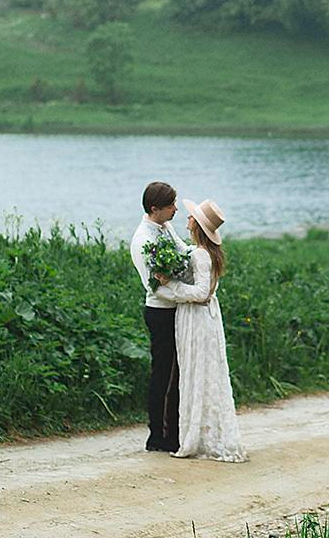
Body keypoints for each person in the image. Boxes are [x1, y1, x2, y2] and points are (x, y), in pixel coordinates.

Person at [153, 199, 247, 462]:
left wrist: (170, 285)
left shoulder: (200, 254)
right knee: (203, 373)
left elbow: (201, 293)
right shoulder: (207, 251)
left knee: (196, 373)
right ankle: (201, 431)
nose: (187, 220)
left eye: (191, 218)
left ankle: (195, 437)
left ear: (198, 225)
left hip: (196, 318)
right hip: (204, 318)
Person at [129, 181, 189, 453]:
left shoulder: (166, 228)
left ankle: (174, 431)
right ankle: (158, 435)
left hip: (176, 310)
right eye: (171, 205)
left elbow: (183, 254)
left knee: (177, 374)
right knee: (163, 373)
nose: (176, 209)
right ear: (155, 209)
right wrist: (190, 294)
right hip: (160, 312)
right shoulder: (144, 240)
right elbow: (155, 286)